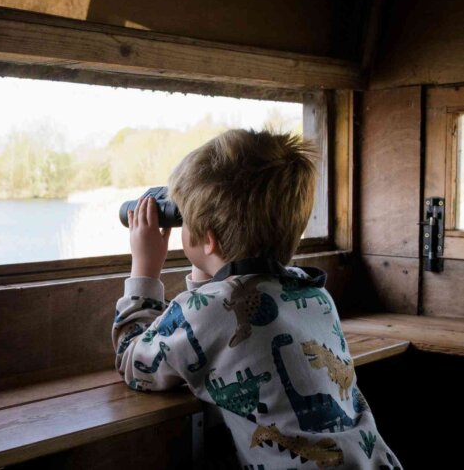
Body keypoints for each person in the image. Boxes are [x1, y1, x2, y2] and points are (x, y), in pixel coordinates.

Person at [112, 129, 403, 469]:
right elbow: (226, 300)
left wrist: (144, 270)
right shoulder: (314, 294)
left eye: (185, 218)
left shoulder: (207, 313)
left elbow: (133, 361)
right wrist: (206, 263)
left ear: (208, 239)